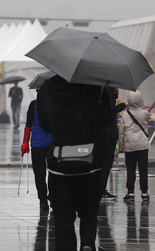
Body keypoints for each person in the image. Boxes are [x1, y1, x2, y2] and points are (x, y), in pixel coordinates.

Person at [37, 75, 112, 251]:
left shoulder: (48, 88)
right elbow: (106, 120)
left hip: (60, 163)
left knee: (63, 218)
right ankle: (87, 243)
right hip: (90, 162)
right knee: (88, 213)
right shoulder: (96, 86)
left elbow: (45, 124)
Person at [118, 90, 155, 201]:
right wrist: (154, 115)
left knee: (130, 169)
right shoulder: (144, 113)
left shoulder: (125, 114)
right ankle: (144, 192)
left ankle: (130, 192)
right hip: (143, 146)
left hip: (130, 146)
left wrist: (121, 144)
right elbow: (151, 121)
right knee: (143, 169)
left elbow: (121, 131)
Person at [21, 96, 52, 210]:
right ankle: (44, 198)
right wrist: (25, 142)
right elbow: (28, 125)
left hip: (48, 142)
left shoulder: (35, 104)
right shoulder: (34, 105)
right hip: (41, 143)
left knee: (46, 173)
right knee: (42, 173)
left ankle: (48, 198)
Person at [101, 88, 126, 200]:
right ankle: (101, 189)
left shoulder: (99, 89)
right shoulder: (109, 90)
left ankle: (99, 188)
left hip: (101, 132)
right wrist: (122, 107)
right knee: (107, 161)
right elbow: (110, 110)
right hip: (108, 132)